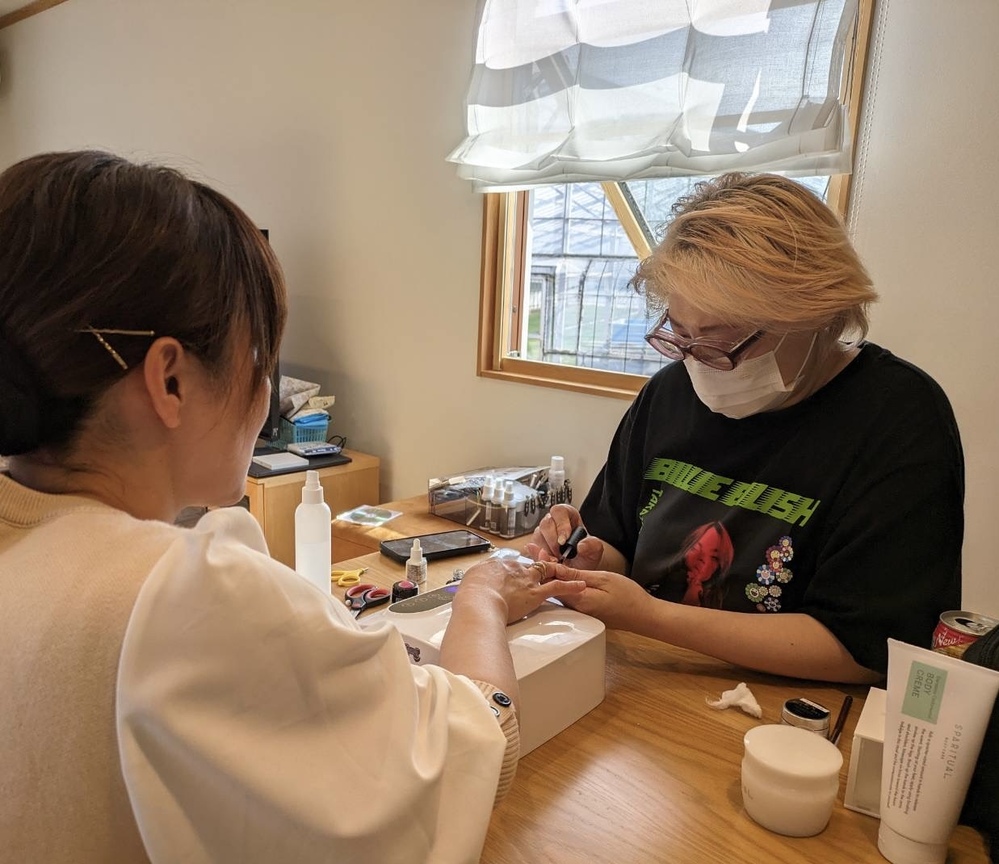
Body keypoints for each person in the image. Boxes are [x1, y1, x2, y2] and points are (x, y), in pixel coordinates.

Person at [0, 150, 585, 864]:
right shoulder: (185, 595)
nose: (267, 395)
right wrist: (482, 599)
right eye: (260, 359)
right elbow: (465, 759)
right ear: (171, 381)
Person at [528, 172, 964, 685]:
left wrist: (650, 616)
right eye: (680, 336)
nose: (697, 362)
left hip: (792, 707)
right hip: (647, 680)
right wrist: (589, 558)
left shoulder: (898, 418)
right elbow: (618, 542)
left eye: (720, 342)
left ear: (815, 315)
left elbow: (867, 649)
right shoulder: (669, 394)